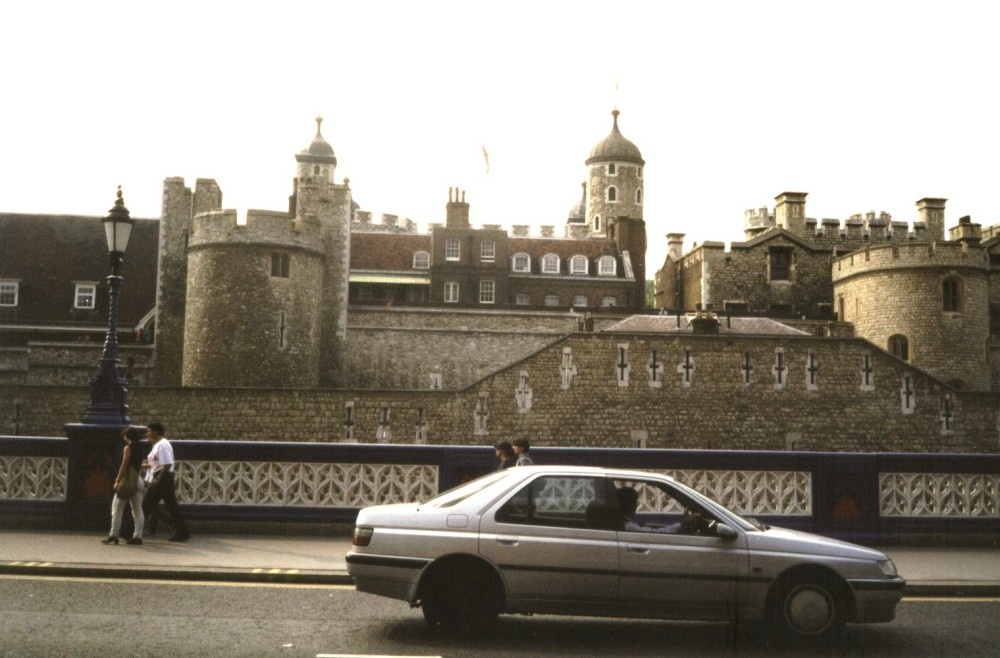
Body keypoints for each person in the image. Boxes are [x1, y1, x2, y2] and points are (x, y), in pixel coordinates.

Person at [141, 422, 190, 542]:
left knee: (146, 505)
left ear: (156, 431)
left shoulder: (162, 445)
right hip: (164, 478)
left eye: (149, 431)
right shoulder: (159, 445)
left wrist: (158, 479)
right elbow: (157, 464)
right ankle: (182, 531)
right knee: (170, 506)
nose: (147, 433)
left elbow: (167, 464)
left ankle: (129, 530)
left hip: (162, 478)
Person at [101, 426, 146, 546]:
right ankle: (138, 536)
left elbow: (124, 464)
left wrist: (117, 479)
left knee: (117, 507)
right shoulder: (140, 448)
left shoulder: (128, 447)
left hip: (127, 480)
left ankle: (113, 535)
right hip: (138, 480)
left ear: (127, 436)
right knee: (137, 509)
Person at [617, 486, 702, 534]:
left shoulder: (627, 523)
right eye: (634, 503)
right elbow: (658, 533)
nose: (635, 506)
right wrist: (682, 523)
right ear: (628, 505)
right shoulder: (629, 526)